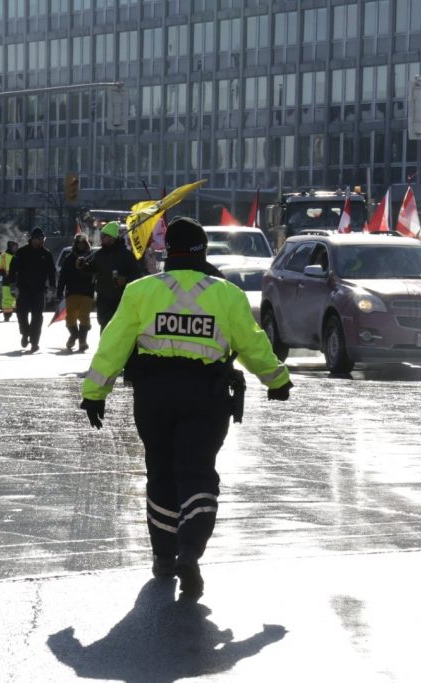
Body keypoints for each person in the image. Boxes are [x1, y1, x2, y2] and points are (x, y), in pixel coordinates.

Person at [79, 216, 293, 599]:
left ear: (166, 251)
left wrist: (95, 392)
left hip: (154, 396)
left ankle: (164, 556)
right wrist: (276, 380)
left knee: (160, 473)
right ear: (203, 251)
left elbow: (113, 345)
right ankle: (190, 551)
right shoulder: (227, 294)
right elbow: (252, 344)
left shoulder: (141, 292)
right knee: (197, 473)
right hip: (205, 397)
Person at [78, 221, 142, 332]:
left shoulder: (126, 255)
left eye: (105, 236)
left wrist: (125, 280)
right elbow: (91, 269)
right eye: (102, 235)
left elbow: (137, 276)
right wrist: (83, 266)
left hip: (121, 299)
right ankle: (105, 349)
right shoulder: (99, 254)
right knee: (104, 327)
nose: (102, 238)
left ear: (112, 237)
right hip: (103, 298)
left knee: (119, 329)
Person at [8, 227, 56, 353]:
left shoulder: (46, 254)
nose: (41, 241)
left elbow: (52, 272)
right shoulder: (22, 253)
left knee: (37, 317)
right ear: (33, 239)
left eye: (42, 239)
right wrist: (12, 285)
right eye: (39, 239)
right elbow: (13, 269)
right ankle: (25, 333)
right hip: (23, 289)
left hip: (39, 290)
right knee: (21, 314)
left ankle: (35, 342)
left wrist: (52, 287)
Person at [56, 233, 95, 352]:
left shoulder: (91, 257)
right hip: (71, 292)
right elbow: (63, 276)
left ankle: (82, 341)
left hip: (87, 292)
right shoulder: (69, 258)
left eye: (83, 243)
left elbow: (96, 273)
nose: (81, 245)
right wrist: (59, 290)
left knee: (84, 318)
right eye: (79, 243)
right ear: (75, 244)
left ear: (86, 243)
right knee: (70, 319)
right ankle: (74, 335)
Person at [0, 241, 17, 321]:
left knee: (18, 297)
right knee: (7, 298)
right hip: (7, 279)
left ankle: (18, 312)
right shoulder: (3, 256)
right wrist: (1, 272)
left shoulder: (18, 255)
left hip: (16, 279)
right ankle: (7, 315)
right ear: (11, 246)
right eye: (15, 246)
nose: (16, 248)